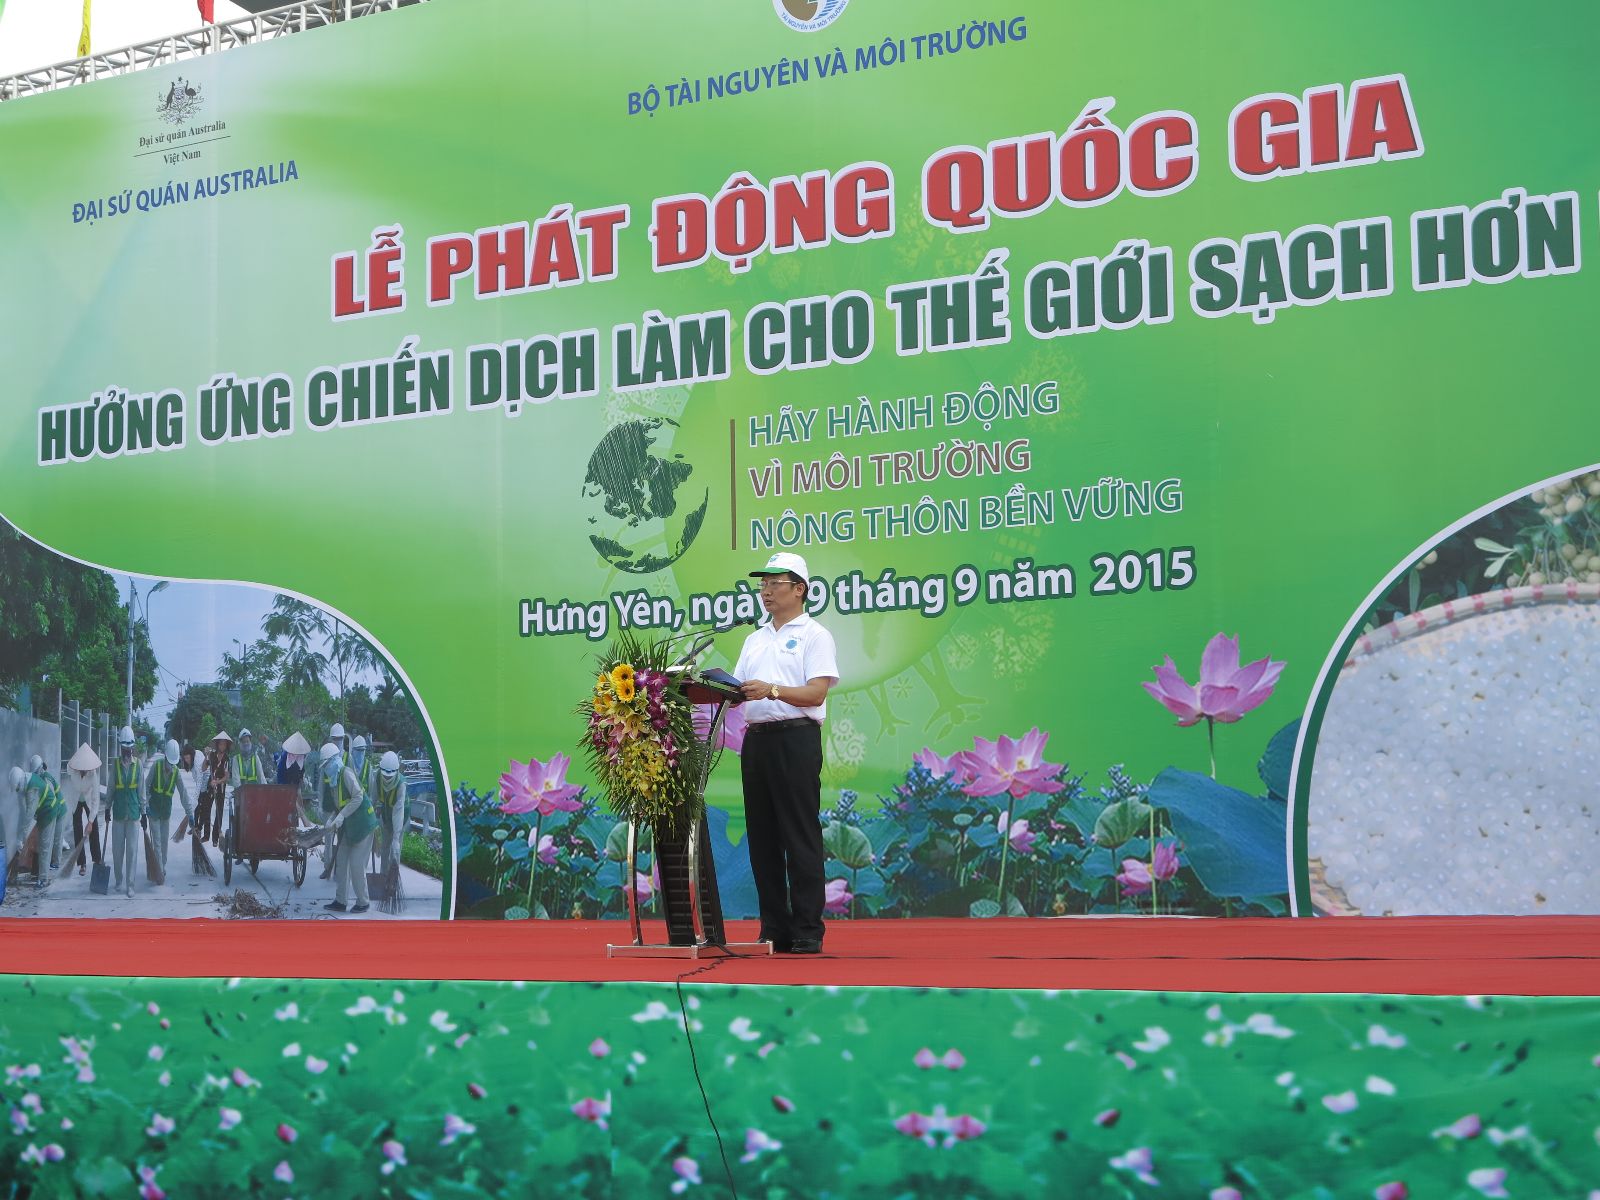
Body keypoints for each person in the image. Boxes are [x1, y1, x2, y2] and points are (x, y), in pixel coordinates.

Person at [733, 552, 840, 955]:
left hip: (796, 739)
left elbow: (816, 693)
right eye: (763, 584)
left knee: (799, 833)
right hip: (757, 741)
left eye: (774, 584)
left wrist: (773, 690)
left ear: (799, 589)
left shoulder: (815, 635)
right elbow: (738, 690)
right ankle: (774, 928)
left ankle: (808, 929)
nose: (766, 591)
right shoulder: (754, 639)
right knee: (762, 838)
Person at [317, 741, 377, 914]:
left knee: (356, 865)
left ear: (333, 761)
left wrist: (342, 816)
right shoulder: (334, 781)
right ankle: (340, 901)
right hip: (349, 829)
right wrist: (332, 819)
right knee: (342, 863)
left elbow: (358, 796)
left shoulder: (346, 773)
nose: (325, 769)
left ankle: (363, 902)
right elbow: (339, 805)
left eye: (326, 765)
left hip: (363, 826)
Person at [143, 740, 193, 878]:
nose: (170, 766)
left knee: (164, 843)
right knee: (157, 843)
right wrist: (145, 806)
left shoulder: (176, 772)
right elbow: (145, 786)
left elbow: (183, 793)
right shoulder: (156, 766)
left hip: (165, 813)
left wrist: (190, 813)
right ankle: (159, 871)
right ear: (165, 757)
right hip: (153, 811)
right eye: (169, 762)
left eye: (173, 763)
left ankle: (161, 866)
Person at [107, 727, 143, 898]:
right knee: (117, 851)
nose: (126, 751)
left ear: (133, 748)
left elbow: (141, 791)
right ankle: (118, 880)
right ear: (120, 747)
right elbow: (111, 788)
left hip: (134, 813)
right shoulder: (115, 765)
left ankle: (130, 884)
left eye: (129, 748)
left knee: (132, 851)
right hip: (119, 813)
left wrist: (144, 812)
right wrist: (107, 808)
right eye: (124, 748)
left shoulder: (138, 765)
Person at [26, 753, 67, 886]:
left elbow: (50, 797)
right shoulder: (41, 778)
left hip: (59, 809)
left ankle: (55, 863)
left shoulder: (46, 778)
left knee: (57, 838)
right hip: (54, 810)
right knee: (52, 839)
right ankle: (52, 862)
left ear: (40, 768)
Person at [63, 744, 104, 876]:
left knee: (94, 829)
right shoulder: (71, 769)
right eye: (82, 769)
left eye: (86, 769)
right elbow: (68, 770)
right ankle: (82, 863)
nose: (84, 771)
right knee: (77, 830)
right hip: (75, 800)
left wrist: (90, 821)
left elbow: (96, 799)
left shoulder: (93, 774)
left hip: (88, 800)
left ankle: (97, 860)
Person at [370, 751, 408, 877]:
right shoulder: (377, 777)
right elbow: (373, 799)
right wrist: (370, 819)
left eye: (389, 777)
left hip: (401, 815)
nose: (386, 778)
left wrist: (396, 838)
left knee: (395, 850)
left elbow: (399, 811)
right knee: (385, 846)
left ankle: (393, 878)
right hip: (386, 815)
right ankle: (383, 876)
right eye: (385, 776)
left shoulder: (401, 785)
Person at [2, 765, 26, 871]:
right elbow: (22, 816)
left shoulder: (28, 791)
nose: (16, 791)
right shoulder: (21, 793)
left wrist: (21, 838)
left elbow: (26, 816)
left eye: (17, 788)